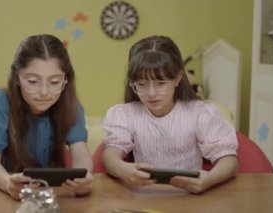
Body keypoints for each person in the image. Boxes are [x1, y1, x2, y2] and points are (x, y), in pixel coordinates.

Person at [101, 35, 238, 193]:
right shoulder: (125, 114)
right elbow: (110, 155)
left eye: (161, 83)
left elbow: (229, 160)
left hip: (190, 197)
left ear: (178, 78)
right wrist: (123, 169)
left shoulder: (200, 113)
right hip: (144, 196)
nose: (151, 93)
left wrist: (209, 180)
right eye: (142, 84)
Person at [0, 34, 93, 199]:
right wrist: (6, 182)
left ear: (66, 80)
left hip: (52, 195)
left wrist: (85, 177)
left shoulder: (71, 105)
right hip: (4, 194)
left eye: (54, 82)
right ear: (17, 77)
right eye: (33, 81)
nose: (44, 92)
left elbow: (81, 153)